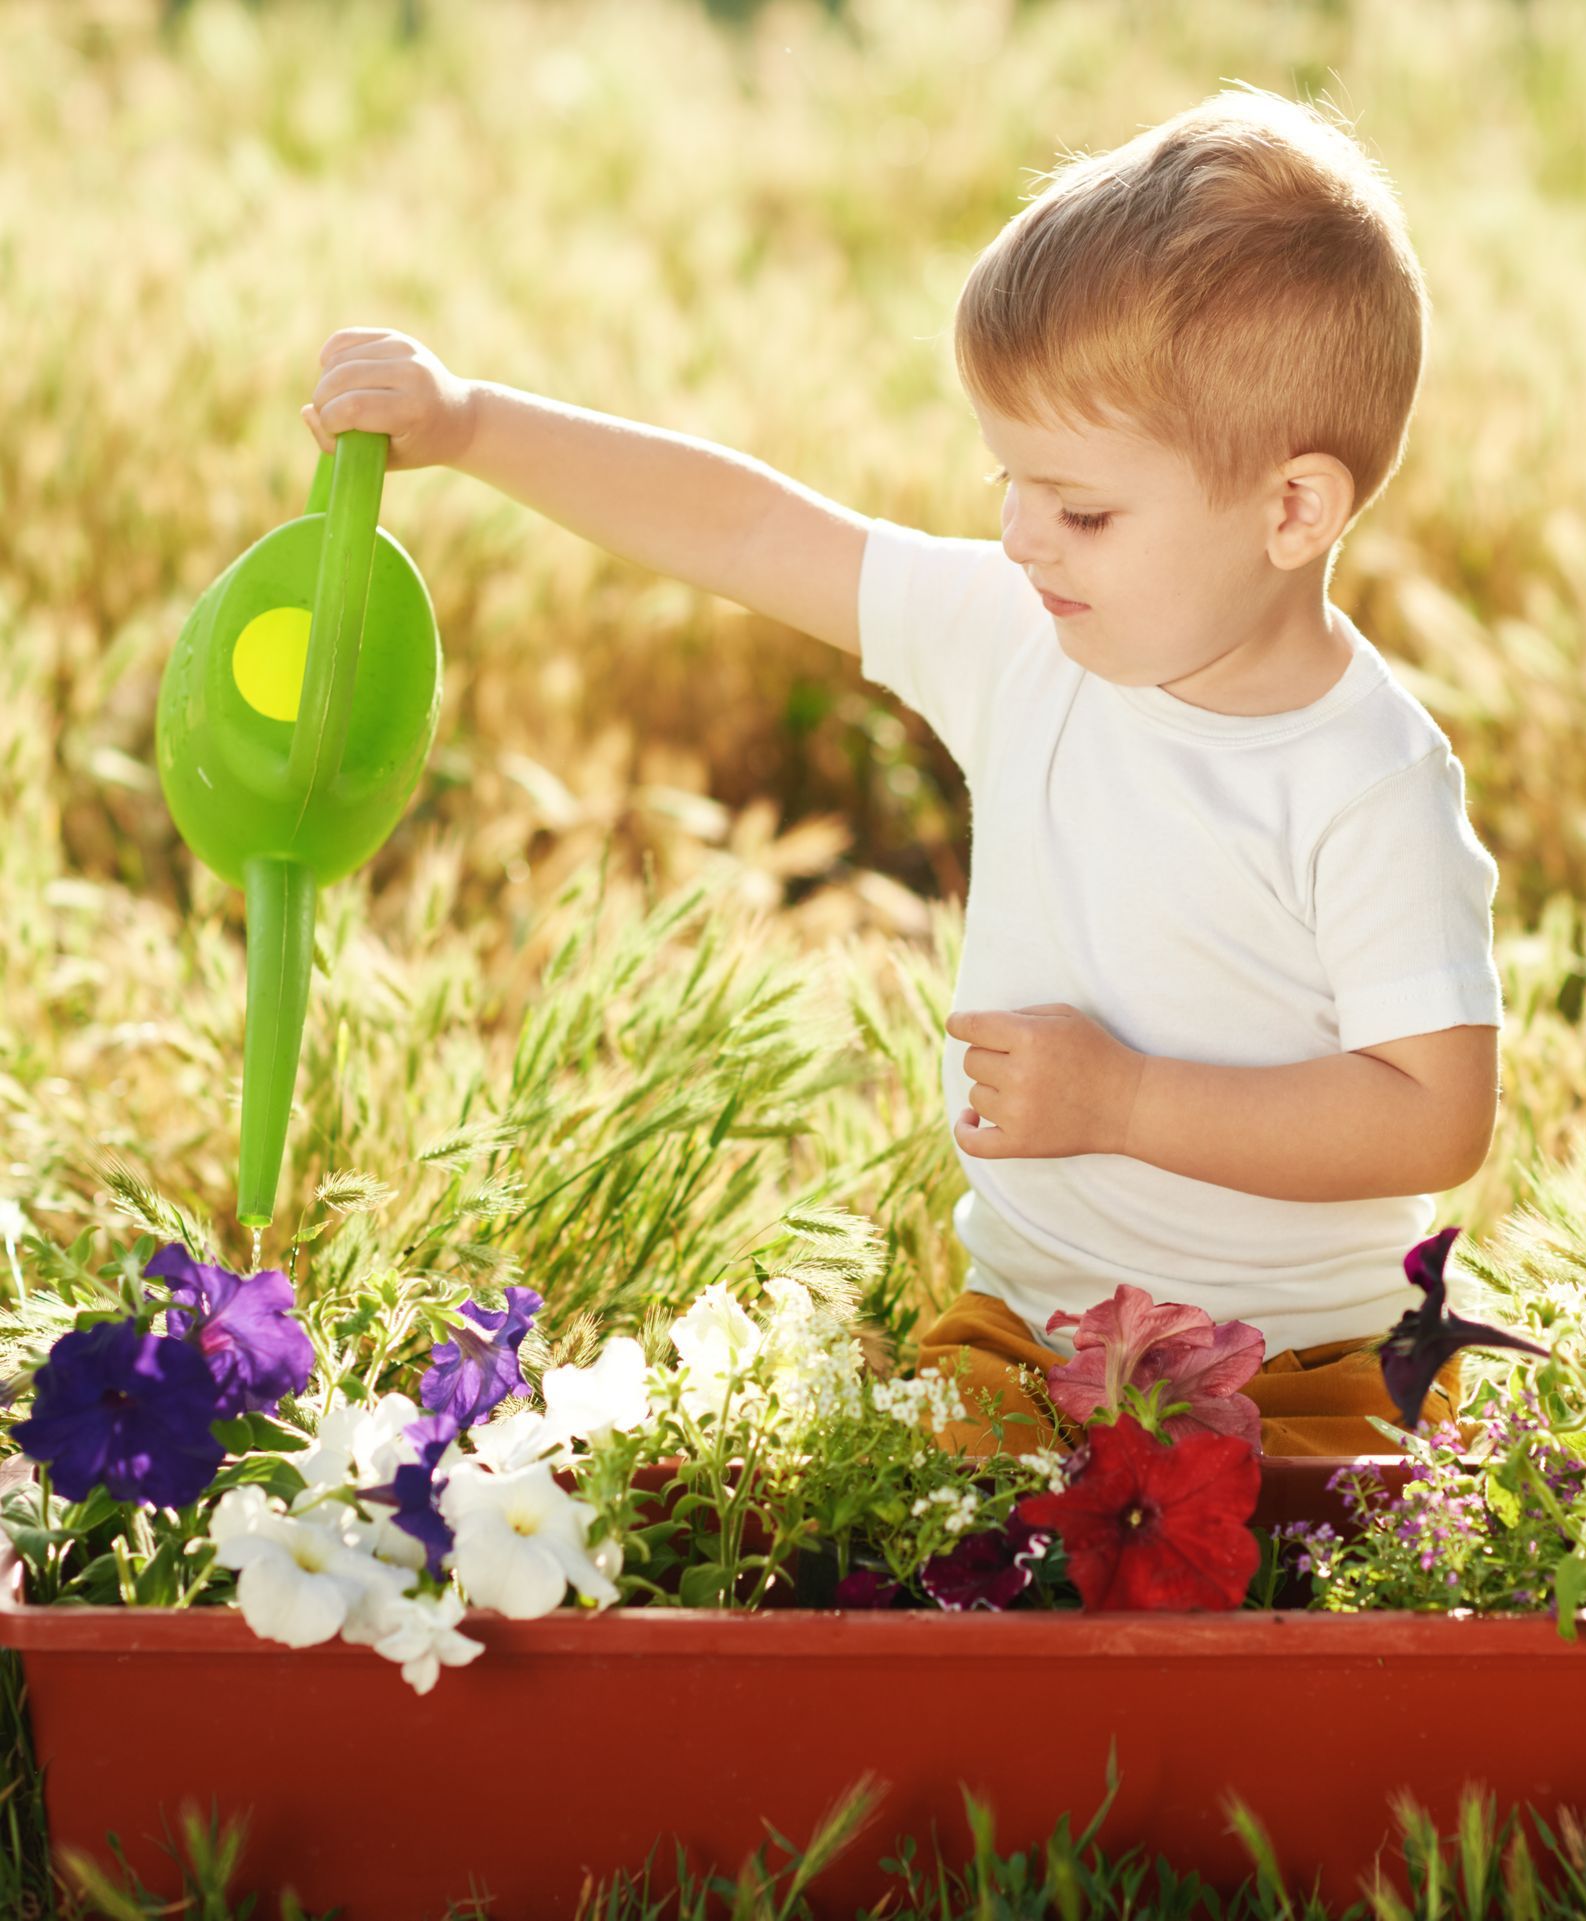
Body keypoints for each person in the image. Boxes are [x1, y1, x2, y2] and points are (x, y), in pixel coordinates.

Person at [302, 82, 1501, 1460]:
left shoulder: (1364, 776)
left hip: (1308, 1384)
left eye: (1082, 507)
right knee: (918, 1580)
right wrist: (471, 423)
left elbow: (1434, 1114)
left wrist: (1126, 1102)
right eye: (1008, 481)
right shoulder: (1023, 636)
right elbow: (754, 531)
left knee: (1266, 1644)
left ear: (1294, 508)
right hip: (1030, 1348)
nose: (1022, 537)